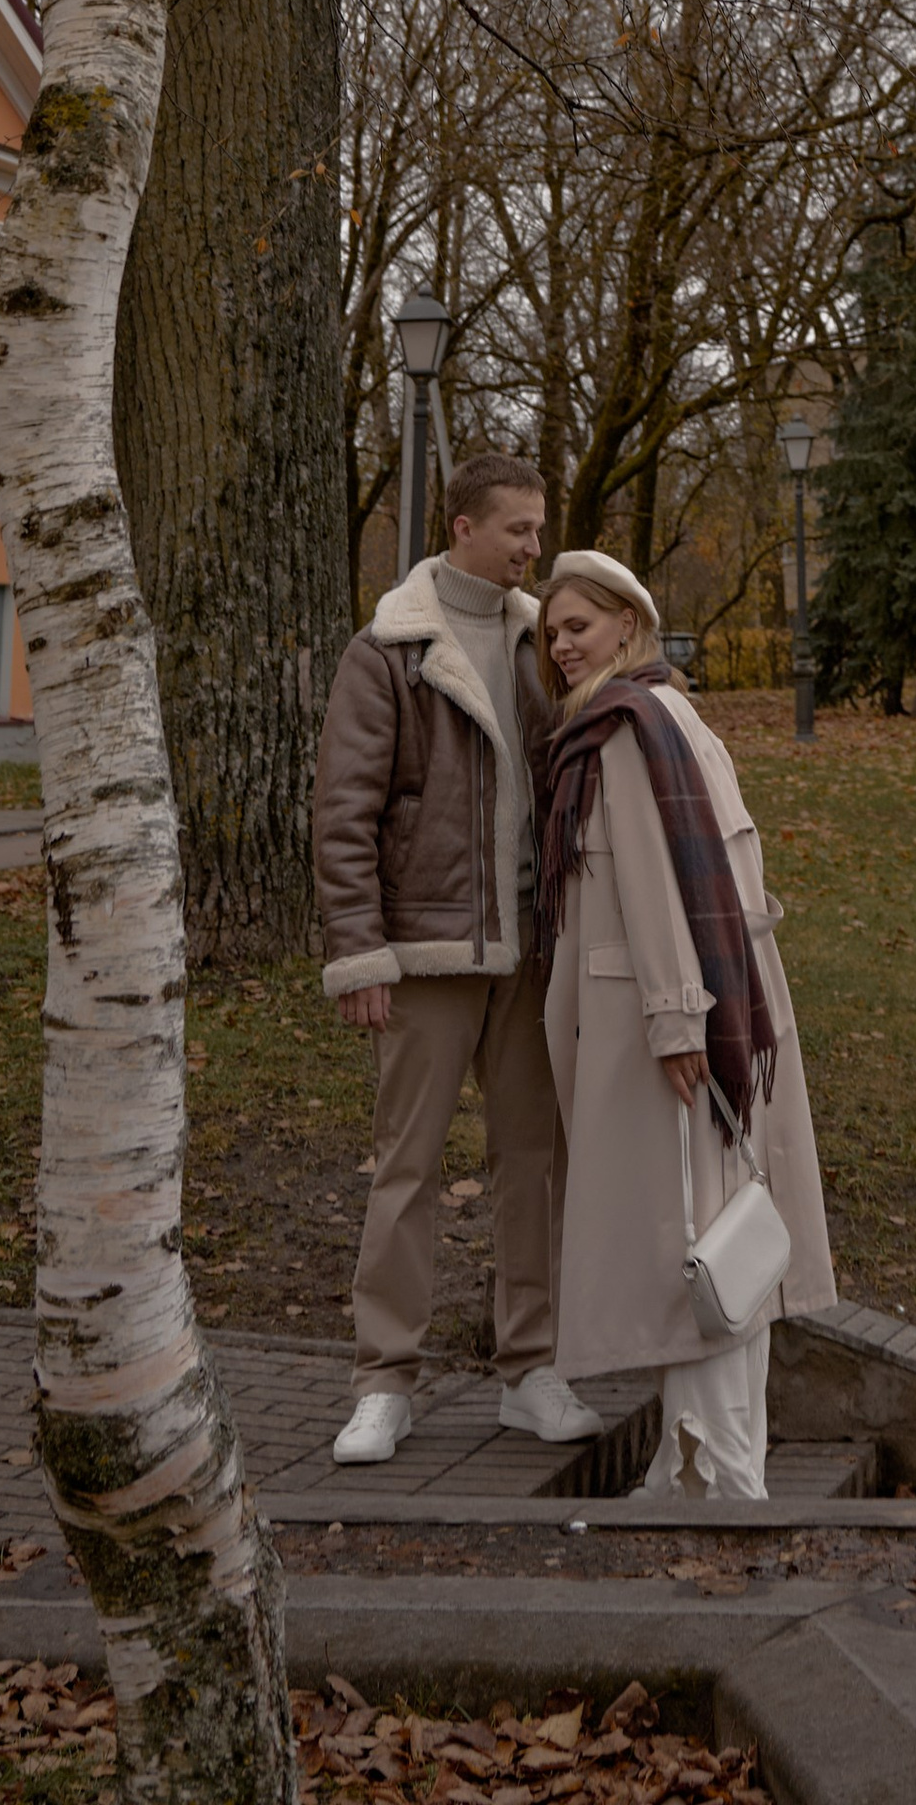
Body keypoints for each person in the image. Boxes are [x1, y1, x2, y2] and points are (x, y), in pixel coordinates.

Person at [312, 449, 603, 1466]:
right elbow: (343, 813)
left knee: (536, 1167)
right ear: (464, 527)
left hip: (531, 954)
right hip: (426, 952)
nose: (536, 546)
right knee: (407, 1170)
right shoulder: (388, 650)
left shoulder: (542, 643)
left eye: (538, 528)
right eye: (519, 529)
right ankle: (383, 1381)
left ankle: (532, 1370)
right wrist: (361, 954)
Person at [534, 550, 836, 1501]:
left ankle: (714, 1468)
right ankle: (695, 1455)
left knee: (691, 1245)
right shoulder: (670, 715)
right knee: (711, 1243)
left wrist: (675, 1020)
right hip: (706, 1007)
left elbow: (659, 886)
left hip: (660, 1023)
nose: (561, 644)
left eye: (578, 624)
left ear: (628, 622)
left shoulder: (629, 728)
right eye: (550, 632)